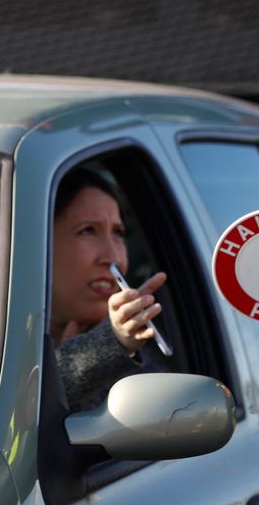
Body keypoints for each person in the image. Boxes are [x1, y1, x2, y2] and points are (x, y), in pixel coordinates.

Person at [51, 168, 168, 412]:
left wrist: (115, 344)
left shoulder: (142, 361)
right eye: (87, 230)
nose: (113, 257)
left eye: (118, 233)